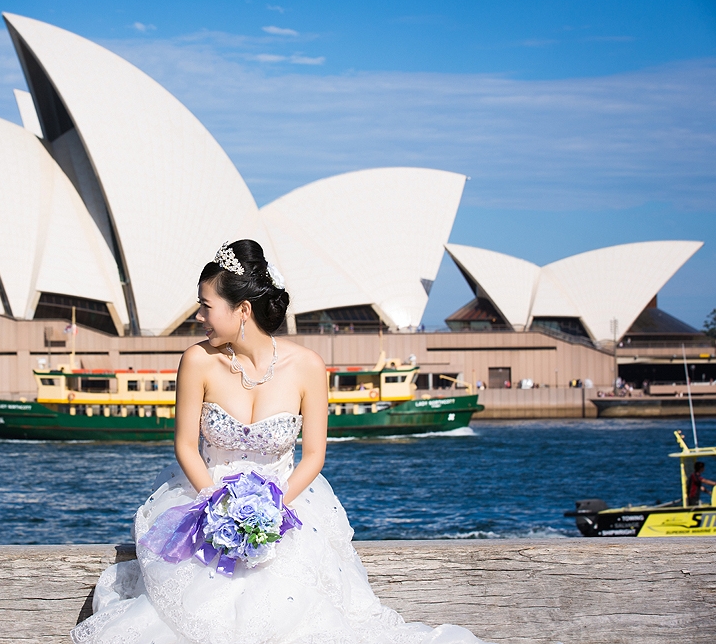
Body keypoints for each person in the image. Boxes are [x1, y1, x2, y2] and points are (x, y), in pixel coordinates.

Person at [71, 240, 485, 644]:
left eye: (206, 306)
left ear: (243, 310)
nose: (199, 316)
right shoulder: (197, 360)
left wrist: (270, 510)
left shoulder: (307, 366)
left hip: (287, 502)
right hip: (204, 496)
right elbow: (184, 446)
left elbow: (315, 455)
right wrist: (217, 506)